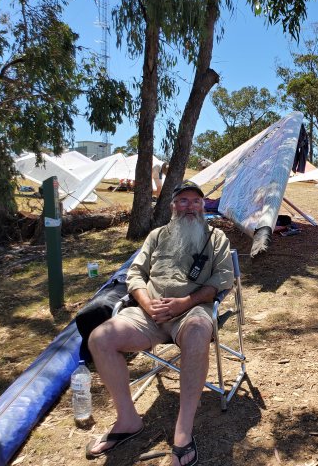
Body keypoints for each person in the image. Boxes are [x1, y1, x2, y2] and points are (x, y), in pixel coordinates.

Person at [85, 180, 234, 466]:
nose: (190, 206)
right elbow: (134, 274)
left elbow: (223, 278)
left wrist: (185, 303)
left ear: (203, 206)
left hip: (191, 311)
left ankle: (183, 431)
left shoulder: (216, 238)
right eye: (183, 200)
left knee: (198, 331)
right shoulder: (157, 235)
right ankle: (127, 420)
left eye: (196, 201)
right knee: (99, 338)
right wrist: (146, 303)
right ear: (172, 206)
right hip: (148, 313)